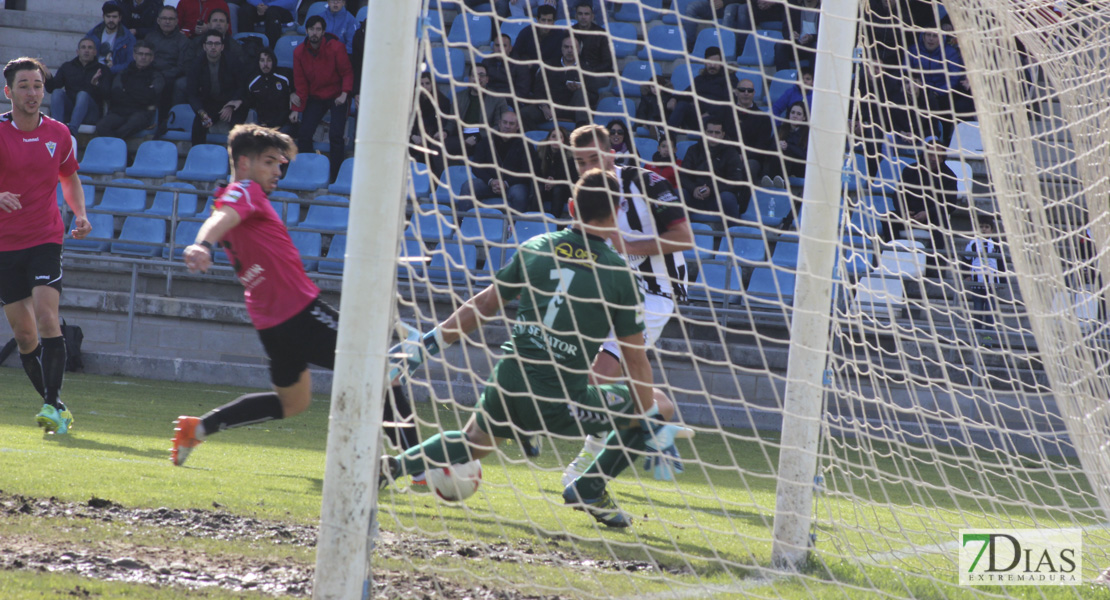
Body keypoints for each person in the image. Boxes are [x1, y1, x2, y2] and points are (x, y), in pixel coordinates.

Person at [380, 167, 692, 528]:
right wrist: (648, 423)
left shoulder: (535, 247)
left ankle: (393, 467)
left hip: (509, 380)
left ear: (572, 207)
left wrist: (426, 346)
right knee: (661, 405)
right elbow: (635, 360)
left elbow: (483, 305)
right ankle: (590, 486)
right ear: (618, 212)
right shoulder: (619, 275)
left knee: (473, 441)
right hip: (562, 400)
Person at [171, 123, 418, 466]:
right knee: (377, 369)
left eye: (280, 164)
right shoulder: (245, 191)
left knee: (293, 403)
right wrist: (202, 245)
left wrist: (206, 241)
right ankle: (418, 463)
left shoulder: (231, 197)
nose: (278, 171)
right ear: (244, 163)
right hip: (299, 311)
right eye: (270, 162)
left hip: (271, 322)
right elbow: (222, 219)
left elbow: (223, 217)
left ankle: (198, 429)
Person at [560, 125, 694, 487]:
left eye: (595, 157)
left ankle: (586, 466)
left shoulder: (648, 183)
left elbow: (685, 238)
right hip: (610, 292)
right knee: (589, 379)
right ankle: (657, 414)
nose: (588, 166)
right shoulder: (585, 195)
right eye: (580, 161)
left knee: (599, 377)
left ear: (612, 154)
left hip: (655, 291)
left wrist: (628, 246)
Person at [0, 57, 92, 435]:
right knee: (24, 335)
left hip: (45, 237)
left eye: (37, 85)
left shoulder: (59, 133)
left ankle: (52, 405)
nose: (32, 92)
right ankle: (54, 404)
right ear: (9, 92)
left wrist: (80, 215)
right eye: (24, 86)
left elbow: (68, 178)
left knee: (47, 316)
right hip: (5, 245)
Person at [291, 15, 354, 181]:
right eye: (311, 29)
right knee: (304, 133)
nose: (314, 33)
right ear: (306, 31)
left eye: (318, 29)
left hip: (337, 95)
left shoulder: (336, 48)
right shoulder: (299, 52)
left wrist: (345, 93)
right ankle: (311, 171)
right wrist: (297, 108)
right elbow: (301, 83)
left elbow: (347, 73)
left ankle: (335, 176)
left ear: (324, 32)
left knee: (336, 135)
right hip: (316, 96)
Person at [464, 109, 539, 213]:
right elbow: (476, 166)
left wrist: (506, 183)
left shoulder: (526, 145)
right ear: (499, 124)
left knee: (519, 195)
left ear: (518, 127)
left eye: (511, 124)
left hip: (513, 184)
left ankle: (513, 227)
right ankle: (463, 223)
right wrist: (491, 181)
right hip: (489, 183)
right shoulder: (486, 141)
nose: (507, 126)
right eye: (505, 122)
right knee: (468, 187)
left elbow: (527, 171)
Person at [523, 36, 603, 130]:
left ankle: (581, 135)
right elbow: (538, 90)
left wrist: (578, 90)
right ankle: (538, 140)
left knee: (581, 93)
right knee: (524, 114)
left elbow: (594, 97)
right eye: (566, 47)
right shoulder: (548, 65)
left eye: (573, 47)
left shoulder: (586, 70)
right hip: (550, 107)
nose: (569, 50)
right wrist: (544, 106)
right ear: (561, 49)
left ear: (579, 50)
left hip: (573, 109)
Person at [679, 116, 750, 221]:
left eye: (717, 133)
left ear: (723, 134)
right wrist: (693, 189)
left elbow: (736, 181)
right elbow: (683, 176)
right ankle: (680, 232)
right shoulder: (693, 150)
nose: (713, 136)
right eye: (710, 132)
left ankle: (732, 234)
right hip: (695, 197)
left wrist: (712, 189)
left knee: (727, 198)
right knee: (678, 193)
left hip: (718, 200)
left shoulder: (731, 153)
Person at [187, 31, 247, 145]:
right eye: (210, 43)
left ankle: (236, 159)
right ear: (204, 46)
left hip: (231, 102)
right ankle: (198, 157)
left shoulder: (233, 61)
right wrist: (201, 112)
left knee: (238, 128)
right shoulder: (196, 65)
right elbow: (192, 94)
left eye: (217, 44)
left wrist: (231, 105)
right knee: (199, 125)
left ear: (222, 47)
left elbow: (242, 86)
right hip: (210, 104)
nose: (213, 47)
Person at [95, 40, 165, 138]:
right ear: (134, 55)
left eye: (147, 54)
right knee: (101, 126)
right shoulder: (123, 73)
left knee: (132, 124)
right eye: (140, 54)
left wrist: (128, 91)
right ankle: (118, 147)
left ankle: (115, 148)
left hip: (142, 113)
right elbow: (116, 94)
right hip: (120, 112)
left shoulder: (157, 76)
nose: (143, 57)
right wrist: (142, 91)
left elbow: (150, 96)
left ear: (152, 58)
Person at [47, 37, 111, 135]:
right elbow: (52, 88)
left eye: (90, 48)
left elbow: (107, 95)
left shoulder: (102, 70)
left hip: (90, 113)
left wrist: (96, 85)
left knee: (83, 95)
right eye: (83, 47)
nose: (86, 50)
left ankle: (71, 132)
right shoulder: (67, 67)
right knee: (57, 92)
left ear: (95, 52)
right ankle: (57, 130)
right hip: (70, 110)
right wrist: (48, 77)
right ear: (78, 51)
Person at [148, 6, 193, 136]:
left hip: (171, 77)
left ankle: (167, 122)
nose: (167, 22)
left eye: (171, 19)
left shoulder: (183, 41)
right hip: (151, 73)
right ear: (158, 20)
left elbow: (182, 66)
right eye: (164, 18)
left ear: (177, 21)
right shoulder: (150, 38)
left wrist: (163, 75)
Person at [668, 46, 730, 132]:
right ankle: (668, 135)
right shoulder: (700, 79)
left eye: (716, 62)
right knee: (682, 105)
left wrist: (708, 113)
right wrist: (674, 98)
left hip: (716, 120)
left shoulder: (728, 79)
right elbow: (686, 94)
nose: (712, 65)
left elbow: (728, 102)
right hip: (698, 118)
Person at [963, 215, 1004, 342]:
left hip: (991, 283)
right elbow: (965, 260)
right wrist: (966, 275)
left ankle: (987, 340)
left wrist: (1002, 279)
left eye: (986, 227)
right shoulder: (972, 244)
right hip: (977, 282)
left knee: (990, 313)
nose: (984, 229)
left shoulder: (996, 245)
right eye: (981, 227)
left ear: (992, 230)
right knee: (978, 311)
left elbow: (1000, 263)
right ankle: (977, 339)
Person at [728, 78, 775, 182]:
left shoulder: (763, 118)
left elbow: (761, 147)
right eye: (742, 90)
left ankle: (745, 198)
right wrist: (733, 156)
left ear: (754, 93)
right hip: (727, 156)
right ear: (736, 92)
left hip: (751, 159)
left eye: (749, 91)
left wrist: (743, 156)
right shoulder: (726, 114)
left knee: (750, 167)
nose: (746, 93)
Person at [247, 49, 294, 133]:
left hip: (285, 123)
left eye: (269, 60)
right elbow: (247, 99)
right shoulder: (253, 81)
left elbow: (299, 89)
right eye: (262, 60)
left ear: (274, 61)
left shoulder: (285, 75)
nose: (265, 64)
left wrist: (294, 95)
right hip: (263, 126)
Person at [535, 126, 577, 217]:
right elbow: (535, 173)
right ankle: (534, 221)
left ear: (564, 141)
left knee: (558, 190)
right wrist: (545, 181)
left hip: (564, 190)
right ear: (549, 139)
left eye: (559, 137)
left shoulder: (569, 157)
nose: (556, 140)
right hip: (545, 187)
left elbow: (573, 179)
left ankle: (555, 223)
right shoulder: (541, 153)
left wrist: (556, 182)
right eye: (553, 136)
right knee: (538, 188)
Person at [88, 1, 138, 75]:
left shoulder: (129, 38)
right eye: (108, 16)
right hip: (93, 72)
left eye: (114, 17)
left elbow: (130, 63)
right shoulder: (93, 34)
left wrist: (110, 70)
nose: (111, 20)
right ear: (103, 17)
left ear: (120, 18)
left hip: (115, 75)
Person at [775, 0, 821, 71]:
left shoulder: (823, 10)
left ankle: (812, 78)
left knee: (816, 46)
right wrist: (791, 35)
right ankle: (783, 76)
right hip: (797, 45)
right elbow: (786, 30)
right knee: (780, 45)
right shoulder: (793, 7)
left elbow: (827, 36)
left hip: (814, 46)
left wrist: (812, 37)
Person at [569, 2, 614, 74]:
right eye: (580, 14)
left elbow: (608, 62)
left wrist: (591, 71)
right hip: (575, 72)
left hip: (597, 73)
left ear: (592, 16)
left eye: (586, 14)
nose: (583, 17)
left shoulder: (602, 34)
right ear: (576, 16)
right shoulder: (569, 32)